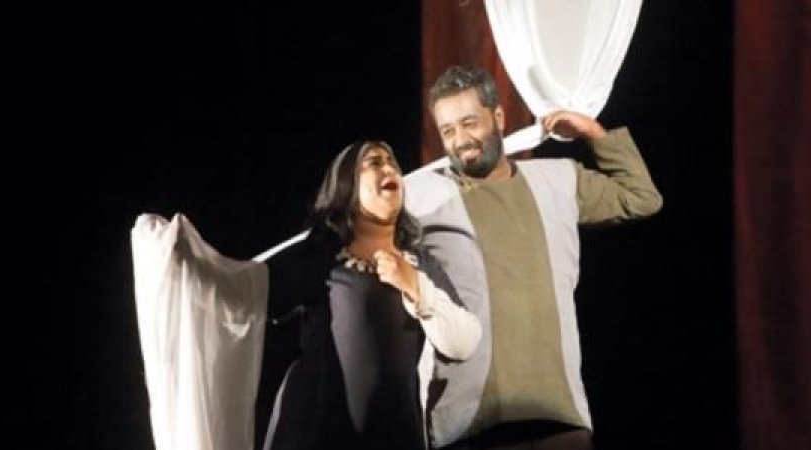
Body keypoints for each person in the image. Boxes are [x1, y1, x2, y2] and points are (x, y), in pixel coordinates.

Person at [404, 65, 664, 450]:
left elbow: (640, 197)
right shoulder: (424, 199)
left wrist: (593, 132)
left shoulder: (556, 180)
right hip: (471, 421)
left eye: (469, 123)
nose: (460, 140)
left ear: (498, 117)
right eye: (448, 130)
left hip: (556, 413)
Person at [260, 140, 483, 450]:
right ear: (347, 186)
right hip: (319, 437)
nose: (389, 168)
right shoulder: (320, 256)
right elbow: (245, 298)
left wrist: (415, 286)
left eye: (393, 162)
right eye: (374, 163)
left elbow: (465, 342)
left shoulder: (419, 263)